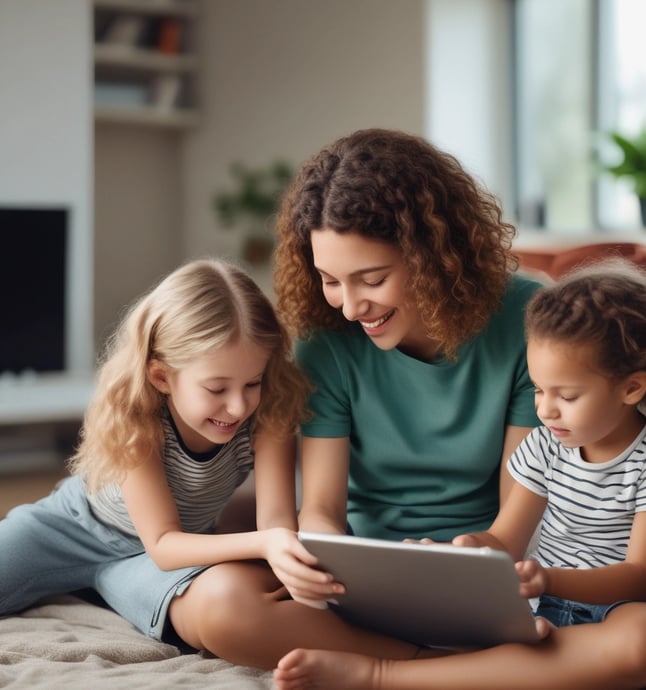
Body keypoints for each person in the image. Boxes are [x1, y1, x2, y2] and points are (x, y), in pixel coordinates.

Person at [273, 257, 646, 690]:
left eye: (567, 395)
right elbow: (504, 539)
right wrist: (457, 552)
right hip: (548, 610)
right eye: (538, 389)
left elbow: (641, 579)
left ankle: (384, 675)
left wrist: (549, 578)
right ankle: (531, 667)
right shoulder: (546, 446)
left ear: (632, 388)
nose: (545, 410)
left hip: (624, 609)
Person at [0, 258, 422, 669]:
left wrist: (283, 549)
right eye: (217, 388)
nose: (237, 405)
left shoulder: (270, 410)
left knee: (227, 604)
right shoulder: (135, 415)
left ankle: (420, 659)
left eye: (252, 382)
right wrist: (264, 543)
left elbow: (274, 519)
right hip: (76, 527)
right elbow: (164, 543)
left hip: (163, 555)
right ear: (162, 377)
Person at [266, 127, 542, 605]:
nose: (350, 308)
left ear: (433, 256)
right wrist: (317, 560)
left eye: (371, 280)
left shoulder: (528, 320)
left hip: (488, 560)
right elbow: (323, 509)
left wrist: (475, 557)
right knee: (225, 611)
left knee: (640, 644)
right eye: (330, 281)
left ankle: (385, 666)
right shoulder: (326, 343)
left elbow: (517, 514)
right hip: (365, 569)